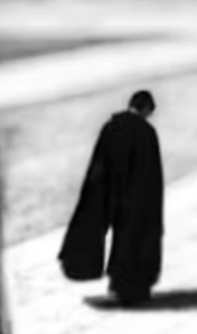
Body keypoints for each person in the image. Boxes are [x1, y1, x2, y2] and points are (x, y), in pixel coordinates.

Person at [59, 90, 164, 305]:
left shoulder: (111, 127)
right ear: (146, 108)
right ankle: (128, 286)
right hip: (136, 197)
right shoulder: (146, 132)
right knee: (133, 240)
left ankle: (116, 282)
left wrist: (97, 193)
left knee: (112, 235)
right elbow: (151, 174)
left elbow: (99, 163)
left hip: (109, 191)